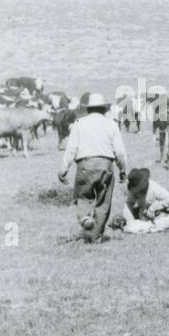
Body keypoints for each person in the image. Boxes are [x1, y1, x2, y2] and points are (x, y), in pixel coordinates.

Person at [59, 92, 128, 242]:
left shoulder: (79, 123)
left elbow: (71, 148)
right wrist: (122, 169)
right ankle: (96, 237)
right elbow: (120, 151)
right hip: (106, 165)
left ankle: (84, 217)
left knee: (83, 196)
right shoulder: (112, 124)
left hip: (84, 165)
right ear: (104, 109)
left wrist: (64, 169)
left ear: (87, 109)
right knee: (103, 202)